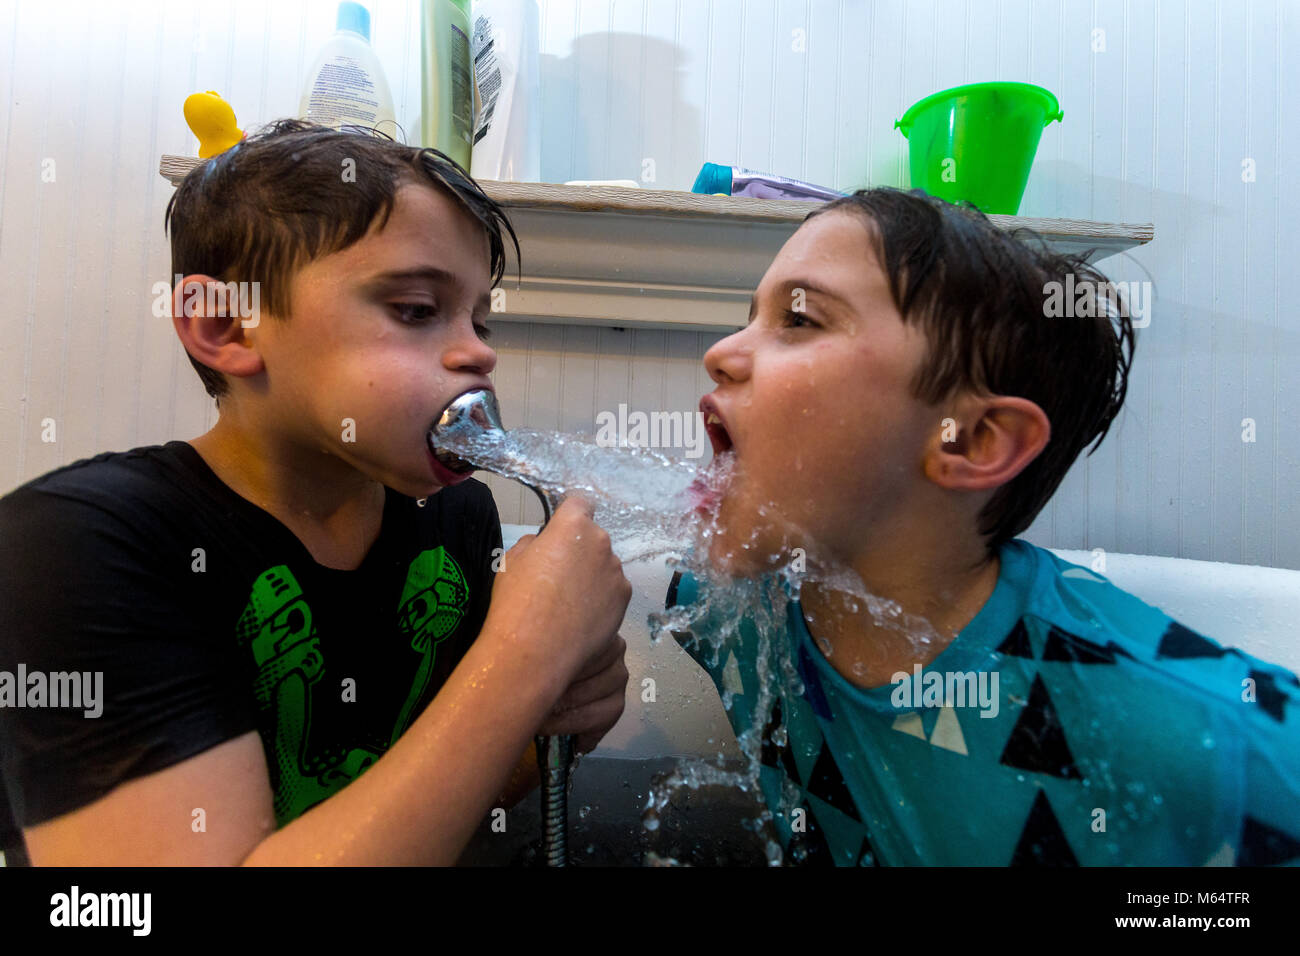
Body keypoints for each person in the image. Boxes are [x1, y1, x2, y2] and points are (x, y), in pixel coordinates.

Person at [0, 119, 632, 866]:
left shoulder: (455, 516)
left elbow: (430, 803)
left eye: (479, 318)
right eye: (418, 310)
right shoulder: (76, 545)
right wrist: (525, 656)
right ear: (226, 324)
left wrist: (554, 718)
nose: (479, 351)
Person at [668, 187, 1300, 865]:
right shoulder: (729, 619)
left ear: (971, 441)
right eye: (749, 317)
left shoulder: (1209, 737)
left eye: (799, 320)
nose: (722, 352)